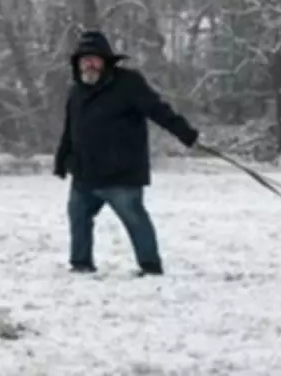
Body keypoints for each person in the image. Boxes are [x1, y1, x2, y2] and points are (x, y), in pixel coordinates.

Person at [53, 29, 201, 276]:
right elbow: (70, 130)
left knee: (135, 220)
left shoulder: (128, 83)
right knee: (78, 218)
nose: (89, 64)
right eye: (84, 59)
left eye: (94, 58)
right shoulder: (76, 92)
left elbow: (157, 109)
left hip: (121, 172)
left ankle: (150, 266)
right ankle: (80, 263)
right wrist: (61, 160)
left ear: (106, 61)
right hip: (84, 172)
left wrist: (185, 133)